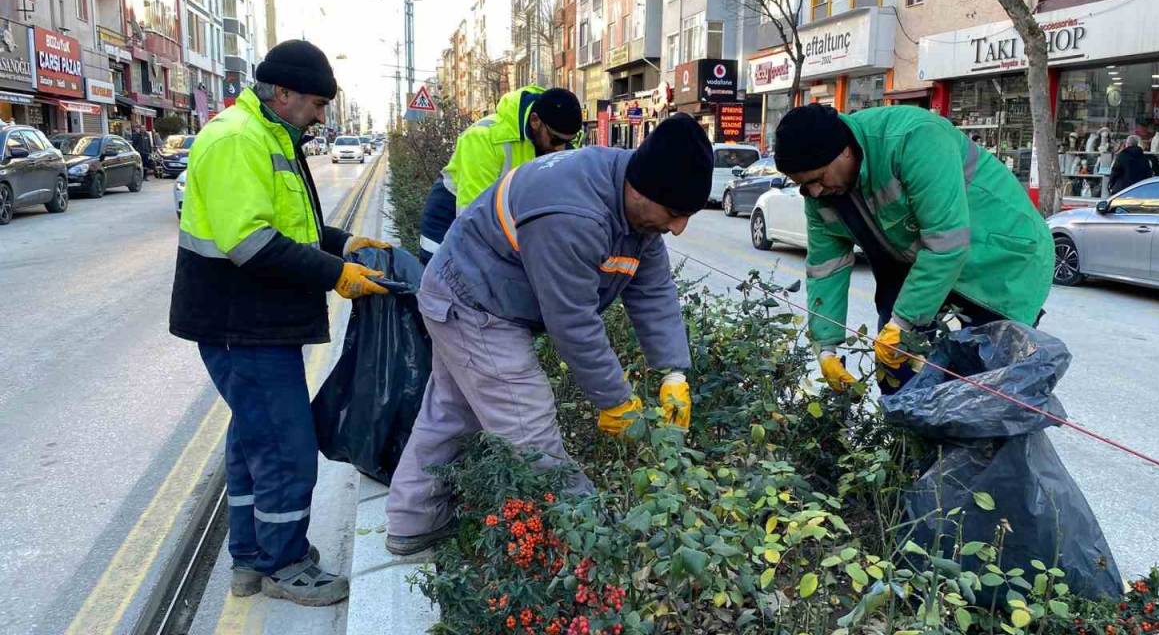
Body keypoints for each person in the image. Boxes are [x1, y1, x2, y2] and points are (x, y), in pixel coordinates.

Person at [385, 114, 711, 556]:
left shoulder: (634, 203)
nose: (678, 228)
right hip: (472, 301)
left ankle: (413, 522)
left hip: (474, 290)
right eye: (674, 214)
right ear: (641, 190)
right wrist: (615, 401)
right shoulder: (572, 213)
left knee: (451, 411)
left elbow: (652, 290)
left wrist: (673, 371)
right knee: (528, 423)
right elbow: (573, 324)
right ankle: (591, 538)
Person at [170, 39, 391, 607]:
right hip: (240, 322)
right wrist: (335, 273)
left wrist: (343, 243)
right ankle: (283, 563)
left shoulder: (271, 135)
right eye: (316, 104)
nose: (321, 116)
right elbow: (252, 243)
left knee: (253, 441)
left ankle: (251, 556)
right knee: (286, 446)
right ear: (284, 92)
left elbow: (291, 227)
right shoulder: (237, 139)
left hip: (254, 322)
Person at [771, 104, 1053, 394]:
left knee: (985, 385)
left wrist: (902, 322)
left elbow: (946, 244)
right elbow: (825, 269)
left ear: (843, 150)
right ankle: (910, 436)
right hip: (918, 260)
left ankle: (990, 439)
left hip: (1002, 258)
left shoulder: (914, 138)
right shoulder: (821, 194)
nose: (814, 192)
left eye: (817, 179)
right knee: (896, 370)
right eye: (803, 186)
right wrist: (826, 348)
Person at [417, 86, 582, 265]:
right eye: (556, 140)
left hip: (500, 218)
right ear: (535, 121)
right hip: (448, 221)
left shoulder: (556, 140)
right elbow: (473, 216)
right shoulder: (484, 138)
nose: (560, 149)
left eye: (568, 142)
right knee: (444, 284)